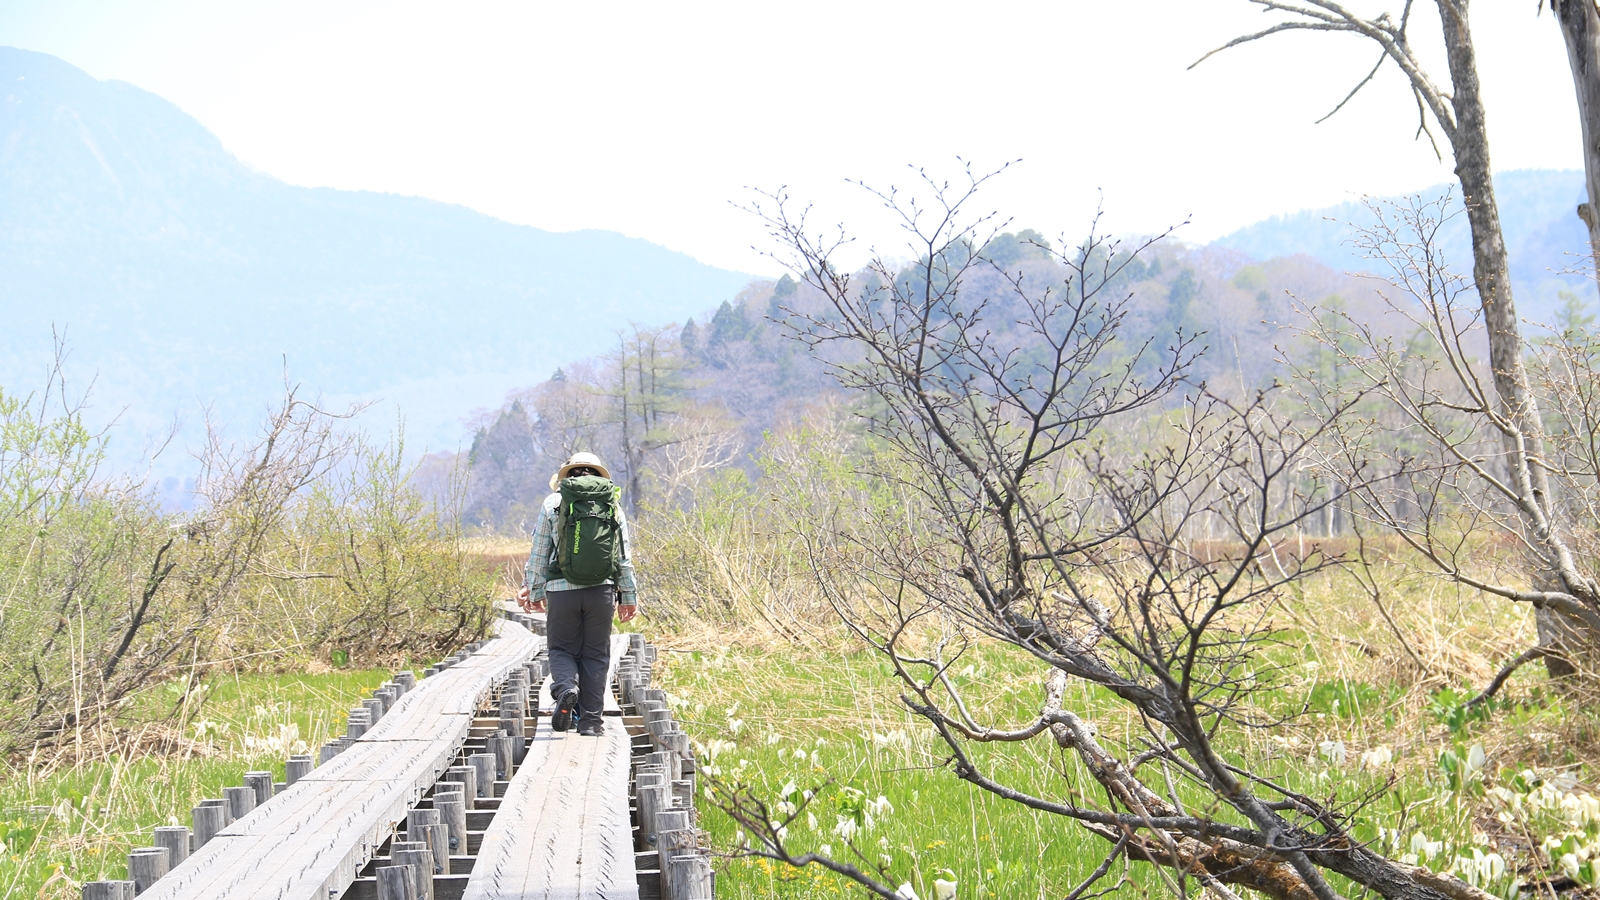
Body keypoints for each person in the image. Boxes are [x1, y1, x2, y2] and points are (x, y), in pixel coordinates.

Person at [516, 452, 638, 737]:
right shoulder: (612, 504)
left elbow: (539, 552)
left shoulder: (553, 503)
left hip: (561, 591)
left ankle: (566, 689)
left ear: (567, 474)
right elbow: (623, 556)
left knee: (561, 649)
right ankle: (591, 723)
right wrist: (629, 596)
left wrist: (532, 589)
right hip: (602, 592)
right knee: (596, 655)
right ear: (598, 474)